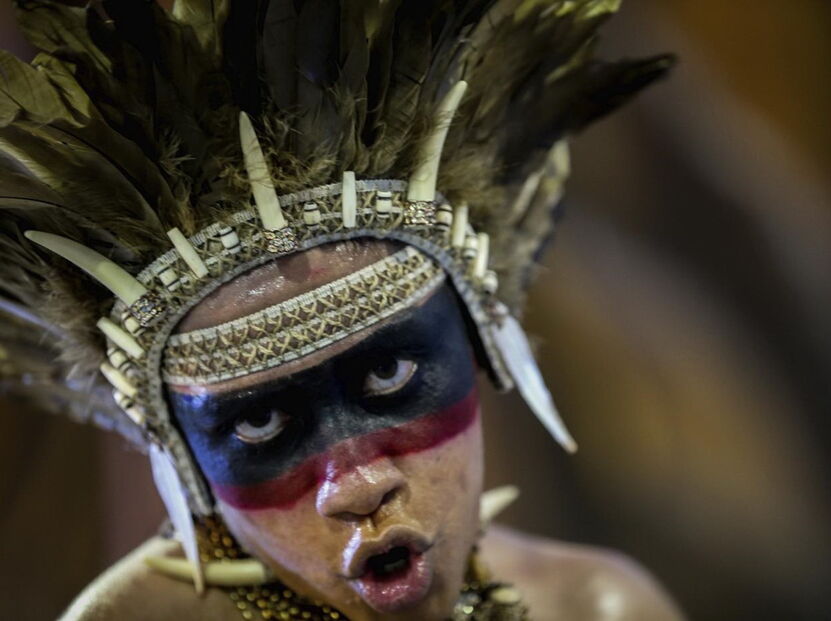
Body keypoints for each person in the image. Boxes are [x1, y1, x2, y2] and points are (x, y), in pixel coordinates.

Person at [0, 1, 683, 619]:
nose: (356, 484)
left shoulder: (598, 607)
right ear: (185, 463)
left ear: (481, 346)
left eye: (388, 374)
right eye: (262, 422)